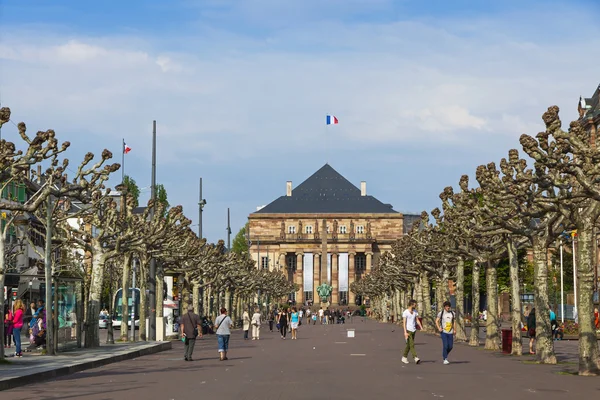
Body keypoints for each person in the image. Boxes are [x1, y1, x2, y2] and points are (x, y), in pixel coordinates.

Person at [402, 299, 423, 364]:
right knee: (411, 344)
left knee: (408, 345)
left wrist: (421, 327)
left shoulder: (415, 311)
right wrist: (405, 332)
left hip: (413, 330)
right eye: (415, 304)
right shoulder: (405, 312)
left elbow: (417, 320)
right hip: (408, 330)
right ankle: (415, 358)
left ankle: (404, 357)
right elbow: (404, 323)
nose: (416, 305)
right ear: (411, 304)